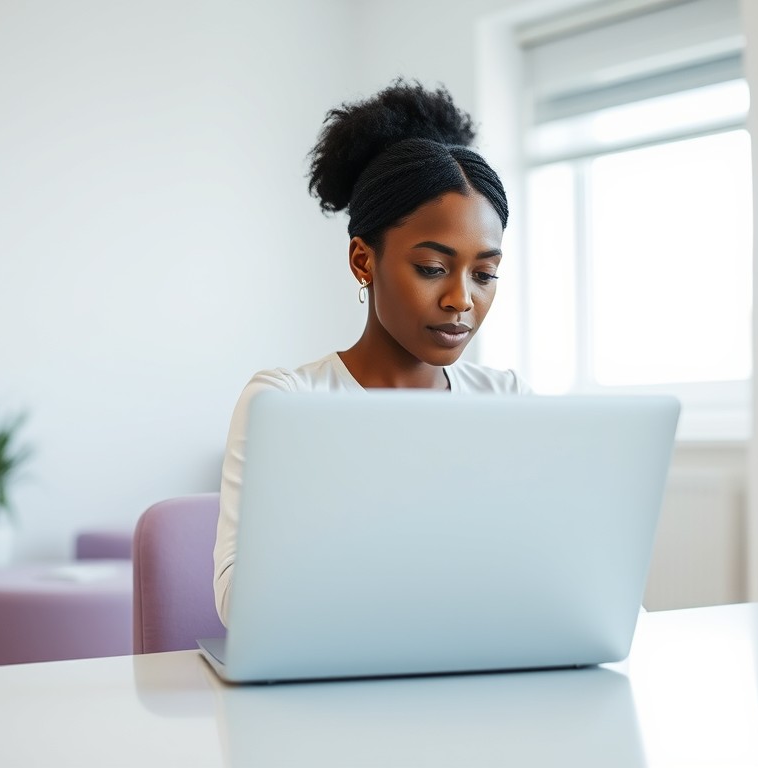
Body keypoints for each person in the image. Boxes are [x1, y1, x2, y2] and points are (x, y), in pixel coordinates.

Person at [212, 80, 529, 626]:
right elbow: (239, 602)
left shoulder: (505, 399)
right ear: (363, 260)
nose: (461, 300)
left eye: (485, 274)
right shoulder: (287, 401)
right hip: (332, 684)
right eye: (432, 268)